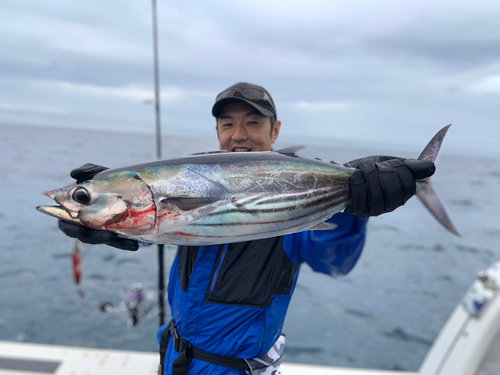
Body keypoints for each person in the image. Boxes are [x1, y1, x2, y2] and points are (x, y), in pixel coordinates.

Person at [58, 82, 435, 375]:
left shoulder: (293, 213)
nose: (239, 134)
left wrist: (355, 208)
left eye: (253, 122)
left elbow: (333, 259)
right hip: (175, 356)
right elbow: (163, 215)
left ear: (276, 131)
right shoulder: (196, 176)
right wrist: (105, 206)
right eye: (228, 124)